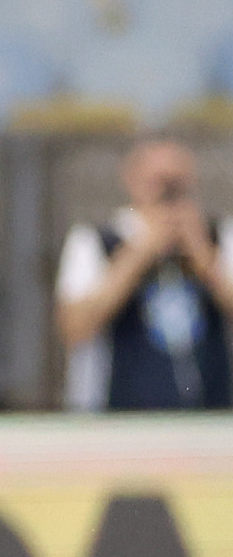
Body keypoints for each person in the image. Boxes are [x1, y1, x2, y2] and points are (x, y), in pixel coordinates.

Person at [57, 135, 233, 410]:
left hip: (212, 412)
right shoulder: (95, 240)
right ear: (132, 180)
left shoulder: (219, 236)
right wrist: (139, 254)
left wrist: (205, 259)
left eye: (178, 182)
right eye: (159, 182)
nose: (169, 193)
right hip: (117, 413)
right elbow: (74, 327)